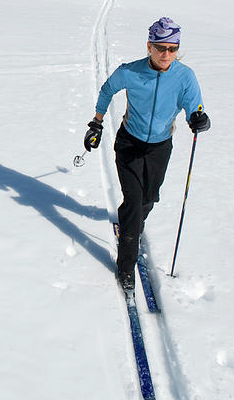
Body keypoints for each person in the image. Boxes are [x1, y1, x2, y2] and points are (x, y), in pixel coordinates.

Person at [83, 17, 210, 296]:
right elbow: (107, 90)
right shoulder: (130, 72)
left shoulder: (184, 77)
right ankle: (126, 264)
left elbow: (194, 106)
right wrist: (96, 122)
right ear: (149, 46)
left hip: (159, 148)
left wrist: (198, 117)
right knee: (134, 200)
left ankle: (131, 223)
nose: (166, 54)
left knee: (149, 199)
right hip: (129, 144)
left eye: (172, 48)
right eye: (160, 47)